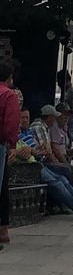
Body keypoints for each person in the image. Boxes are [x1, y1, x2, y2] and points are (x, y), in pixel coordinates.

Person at [16, 111, 73, 221]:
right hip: (29, 167)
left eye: (27, 117)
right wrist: (38, 152)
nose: (25, 120)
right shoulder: (16, 134)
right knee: (57, 181)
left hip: (38, 163)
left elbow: (35, 151)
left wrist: (39, 151)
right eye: (22, 117)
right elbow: (24, 152)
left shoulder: (28, 132)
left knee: (62, 178)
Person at [31, 106, 73, 185]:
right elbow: (49, 151)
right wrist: (59, 163)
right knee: (69, 172)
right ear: (50, 117)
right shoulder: (39, 126)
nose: (66, 118)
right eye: (55, 117)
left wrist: (68, 153)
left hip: (48, 160)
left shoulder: (48, 127)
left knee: (72, 173)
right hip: (42, 163)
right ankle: (69, 197)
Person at [0, 61, 21, 249]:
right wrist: (12, 144)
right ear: (9, 78)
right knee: (1, 185)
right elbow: (11, 123)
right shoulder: (9, 95)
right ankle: (2, 230)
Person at [56, 70, 73, 144]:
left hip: (69, 123)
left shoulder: (72, 92)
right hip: (64, 123)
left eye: (59, 82)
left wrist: (65, 114)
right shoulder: (66, 91)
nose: (58, 85)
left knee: (66, 144)